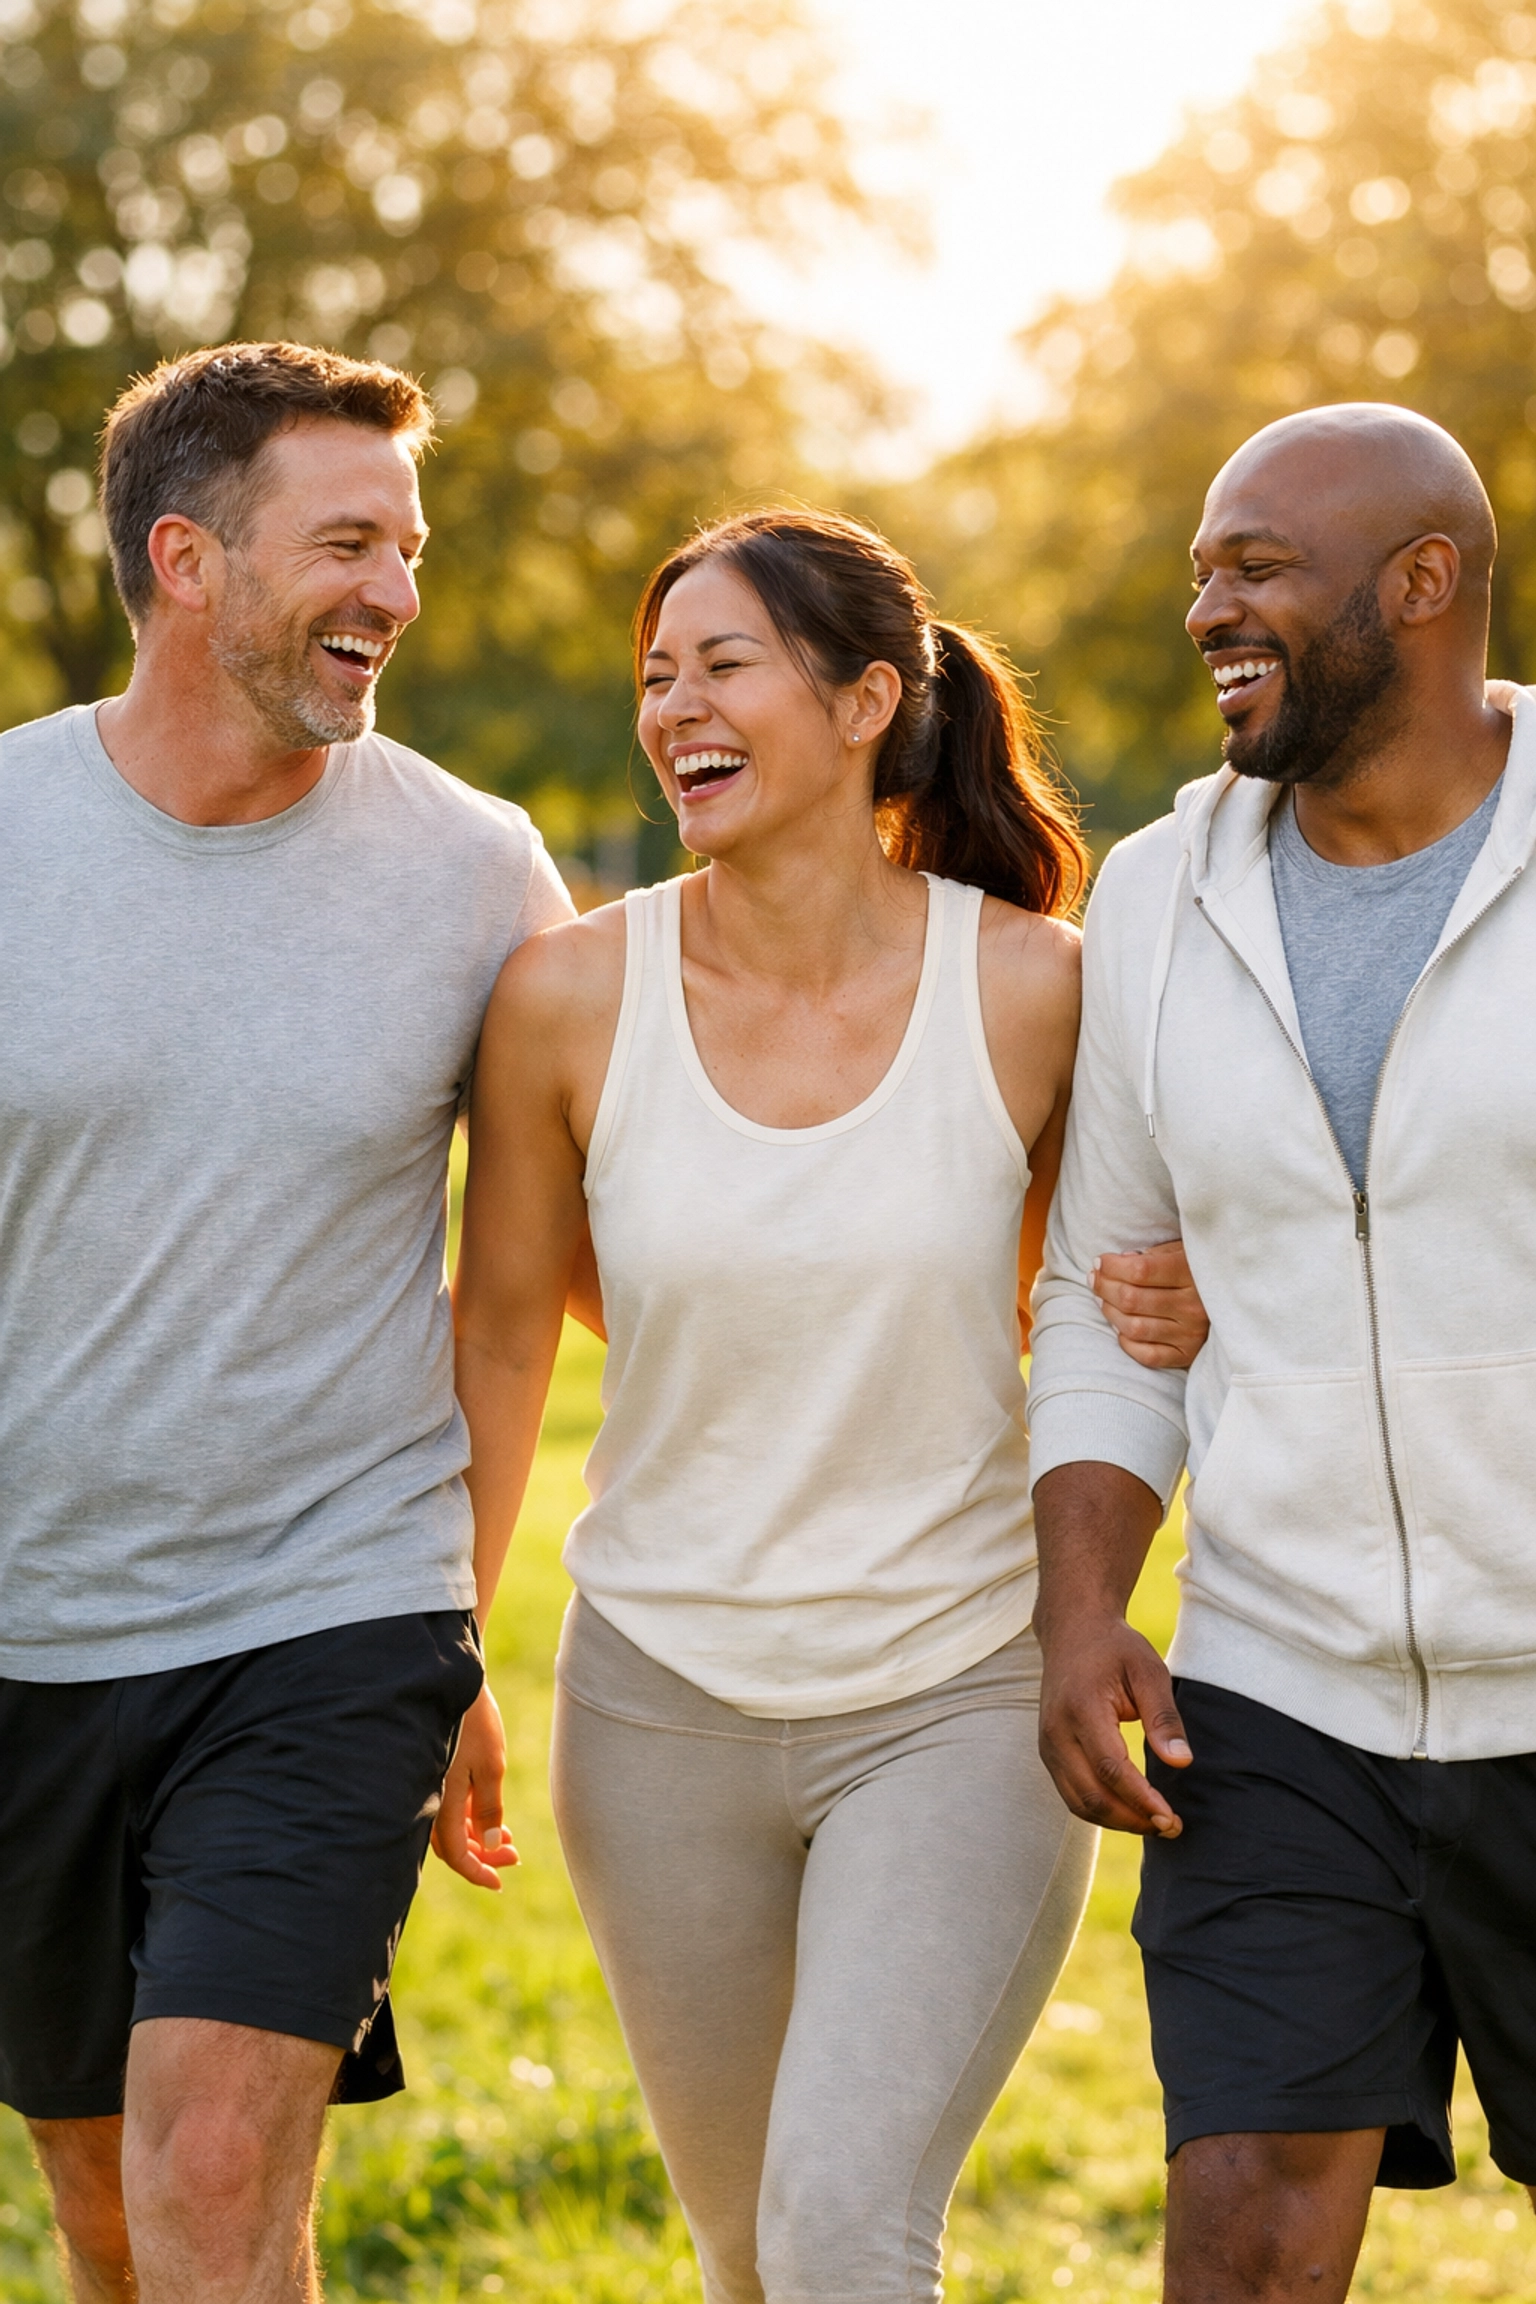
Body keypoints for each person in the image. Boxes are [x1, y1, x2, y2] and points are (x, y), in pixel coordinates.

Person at [442, 507, 1209, 2304]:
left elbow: (1116, 1282)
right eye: (654, 674)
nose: (672, 708)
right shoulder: (564, 999)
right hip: (657, 1712)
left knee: (843, 2237)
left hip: (952, 1699)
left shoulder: (1034, 990)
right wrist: (450, 1650)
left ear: (870, 698)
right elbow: (502, 1335)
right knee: (747, 2263)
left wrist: (1197, 1292)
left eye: (722, 666)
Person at [0, 341, 577, 2304]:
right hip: (32, 1623)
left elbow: (574, 1253)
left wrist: (1053, 1245)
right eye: (348, 544)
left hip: (325, 1613)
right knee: (105, 2211)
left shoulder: (478, 868)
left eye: (406, 549)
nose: (398, 595)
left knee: (222, 2156)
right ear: (188, 559)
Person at [1029, 402, 1536, 2304]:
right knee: (1237, 2223)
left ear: (1422, 585)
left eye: (1257, 569)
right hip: (1279, 1693)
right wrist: (1084, 1608)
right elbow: (1103, 1289)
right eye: (1198, 571)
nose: (1207, 610)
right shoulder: (1159, 900)